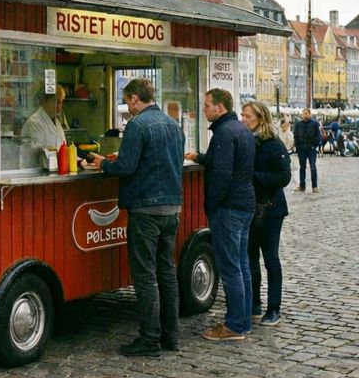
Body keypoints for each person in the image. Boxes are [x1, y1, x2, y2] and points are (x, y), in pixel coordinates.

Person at [88, 78, 185, 357]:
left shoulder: (138, 125)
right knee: (167, 272)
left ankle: (149, 338)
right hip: (171, 207)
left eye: (126, 100)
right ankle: (171, 335)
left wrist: (104, 164)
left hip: (145, 210)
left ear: (134, 99)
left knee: (145, 275)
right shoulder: (173, 125)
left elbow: (127, 167)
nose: (127, 106)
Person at [185, 88, 255, 342]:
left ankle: (235, 325)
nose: (204, 110)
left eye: (206, 106)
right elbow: (225, 163)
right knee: (242, 265)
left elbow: (223, 174)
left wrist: (212, 205)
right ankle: (243, 320)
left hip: (228, 207)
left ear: (220, 108)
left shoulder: (224, 133)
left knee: (230, 267)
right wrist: (200, 157)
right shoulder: (241, 129)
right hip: (245, 203)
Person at [241, 100, 291, 327]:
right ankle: (254, 303)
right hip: (250, 207)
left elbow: (284, 177)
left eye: (248, 116)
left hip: (271, 209)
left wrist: (255, 177)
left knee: (270, 258)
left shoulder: (273, 144)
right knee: (250, 257)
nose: (243, 120)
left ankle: (274, 308)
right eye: (242, 115)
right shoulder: (245, 141)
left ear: (260, 119)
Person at [20, 85, 67, 150]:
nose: (59, 106)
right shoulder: (34, 123)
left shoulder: (55, 120)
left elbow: (62, 148)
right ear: (44, 101)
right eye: (56, 101)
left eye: (61, 102)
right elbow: (38, 153)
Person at [293, 108, 321, 192]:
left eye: (306, 113)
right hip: (302, 149)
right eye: (303, 113)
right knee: (302, 167)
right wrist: (298, 147)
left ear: (309, 114)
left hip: (311, 149)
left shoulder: (315, 123)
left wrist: (314, 146)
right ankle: (302, 186)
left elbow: (318, 136)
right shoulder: (298, 124)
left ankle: (314, 186)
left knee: (313, 167)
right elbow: (296, 136)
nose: (304, 115)